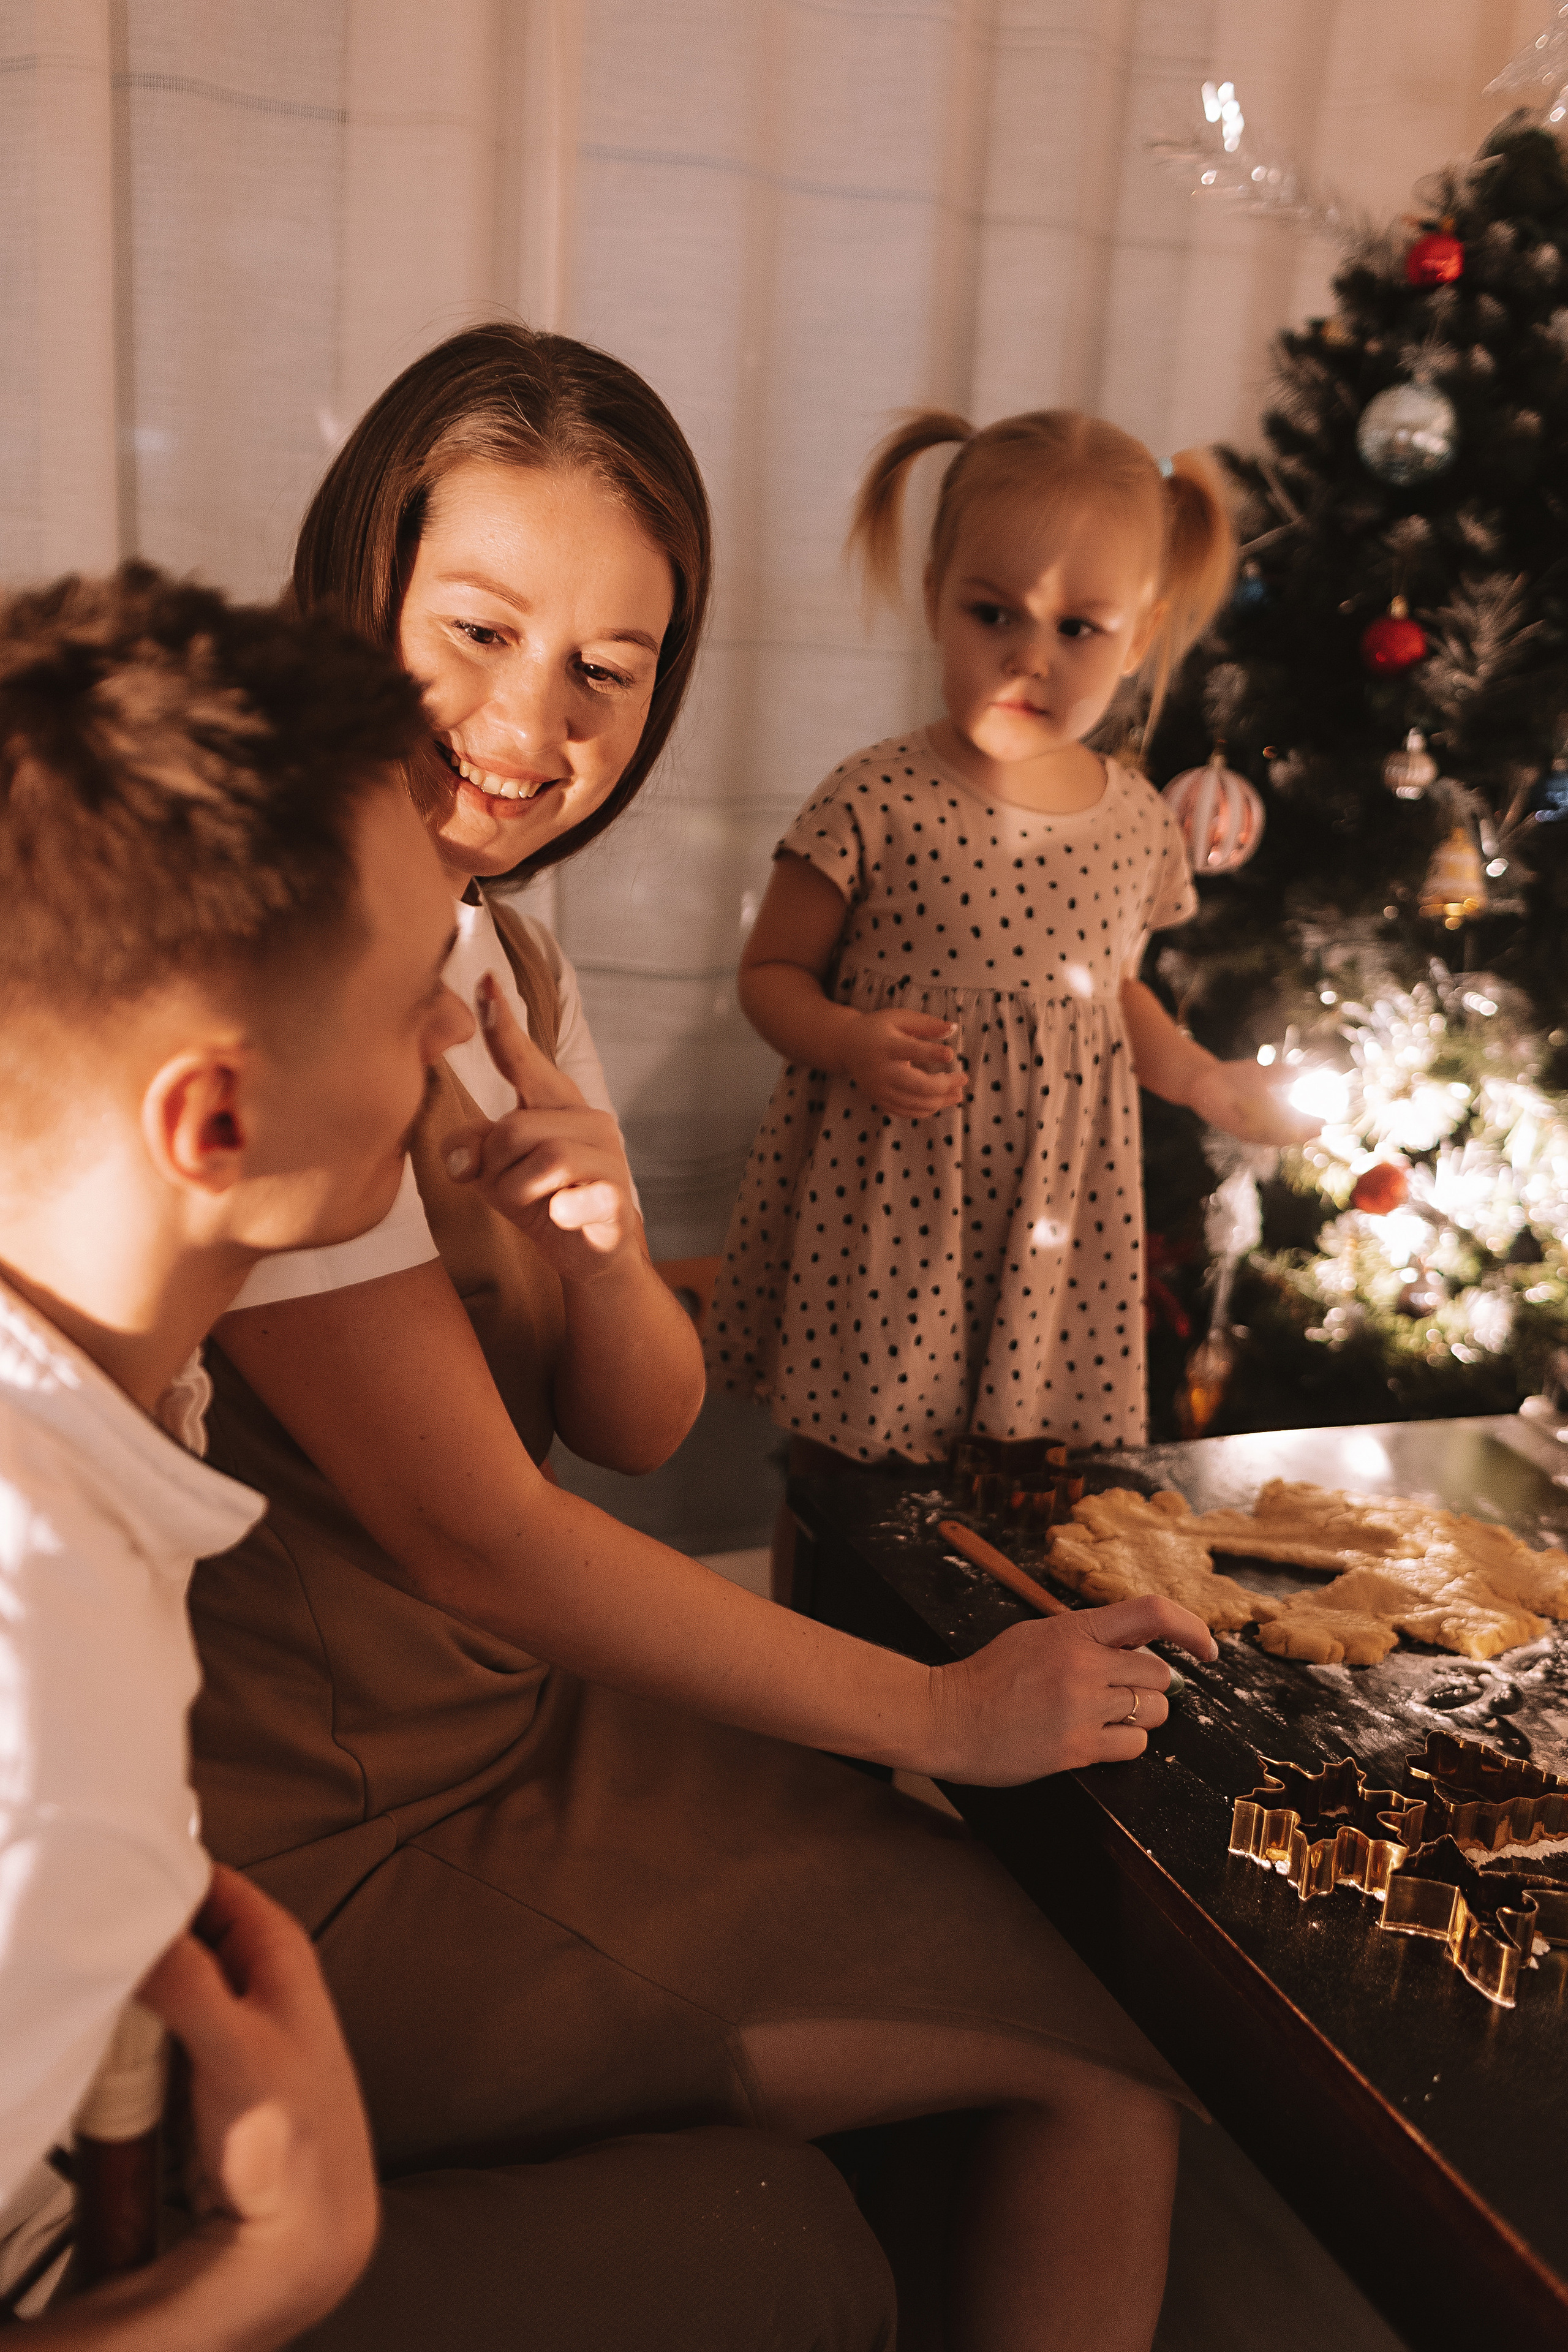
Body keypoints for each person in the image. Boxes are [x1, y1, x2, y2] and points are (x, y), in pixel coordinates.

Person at [190, 326, 1219, 2352]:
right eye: (477, 630)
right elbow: (476, 1530)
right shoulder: (285, 960)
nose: (530, 722)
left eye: (609, 667)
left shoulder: (508, 943)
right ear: (359, 596)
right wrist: (938, 1716)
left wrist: (593, 1247)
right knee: (1087, 2079)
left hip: (512, 1723)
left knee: (1075, 2015)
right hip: (320, 1831)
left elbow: (648, 1424)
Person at [0, 562, 459, 2343]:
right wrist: (283, 2267)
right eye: (418, 995)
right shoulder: (48, 1726)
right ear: (215, 1118)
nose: (451, 1038)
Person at [707, 407, 1313, 1472]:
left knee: (1015, 1483)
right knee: (854, 1477)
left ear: (1142, 634)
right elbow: (770, 976)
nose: (1030, 658)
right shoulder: (877, 796)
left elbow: (1110, 994)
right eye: (993, 613)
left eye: (1079, 630)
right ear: (938, 587)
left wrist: (1205, 1081)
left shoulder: (1135, 821)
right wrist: (848, 1041)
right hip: (893, 1202)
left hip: (1051, 1215)